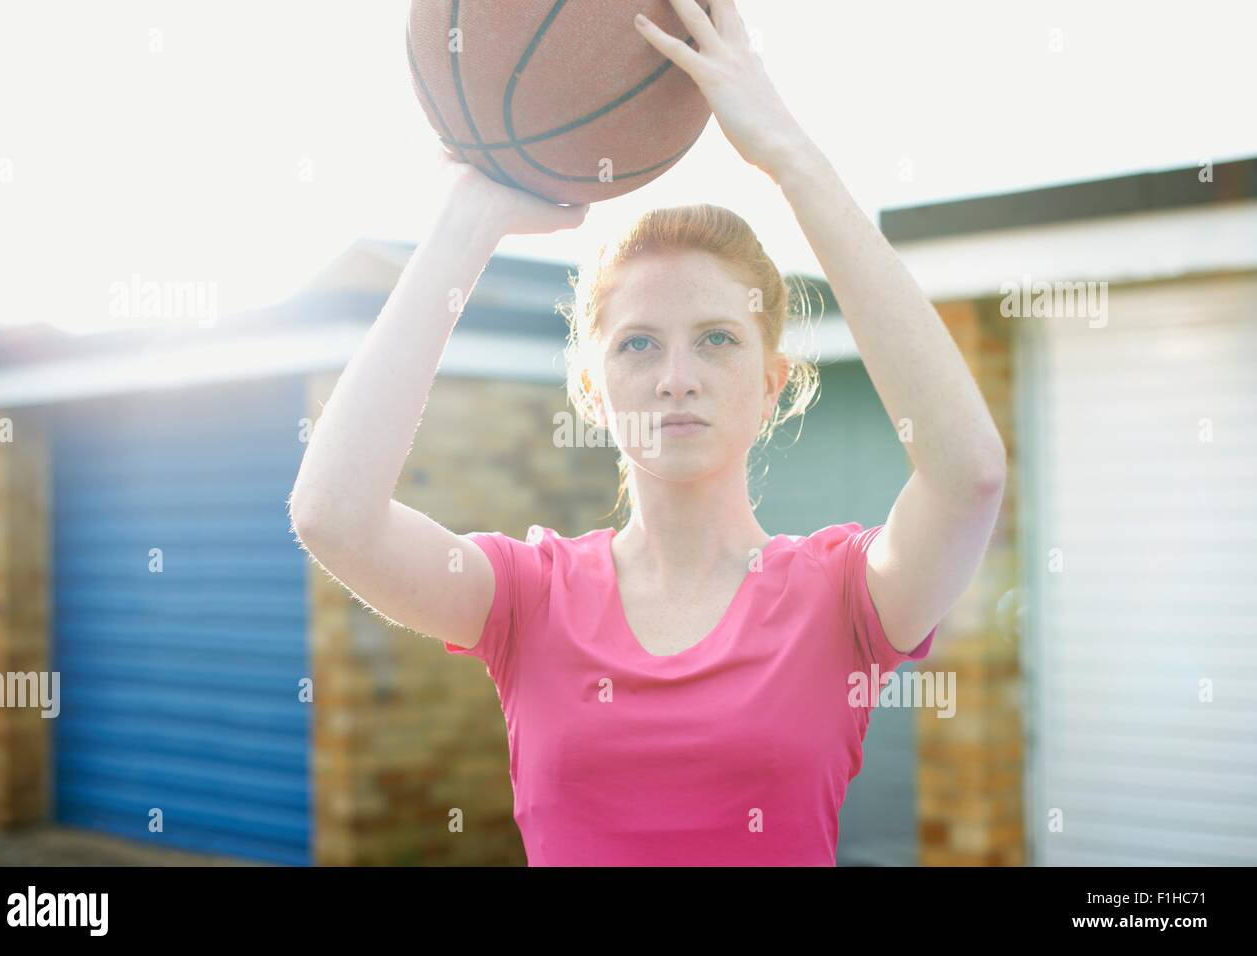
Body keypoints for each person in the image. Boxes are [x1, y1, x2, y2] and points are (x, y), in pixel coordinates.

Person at [289, 0, 1005, 866]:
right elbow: (333, 514)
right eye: (637, 344)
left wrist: (788, 154)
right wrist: (468, 217)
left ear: (772, 384)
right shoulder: (528, 599)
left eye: (716, 338)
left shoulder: (842, 599)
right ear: (592, 391)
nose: (677, 376)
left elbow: (967, 476)